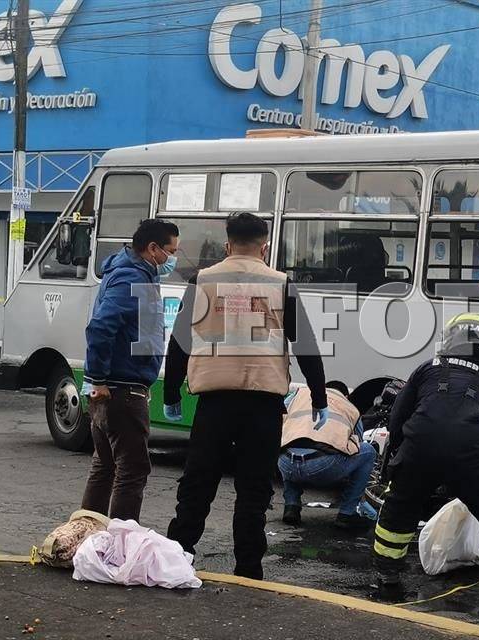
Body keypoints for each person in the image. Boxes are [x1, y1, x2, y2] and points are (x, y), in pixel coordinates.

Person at [164, 212, 328, 580]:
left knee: (197, 483)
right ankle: (249, 570)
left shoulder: (202, 280)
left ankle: (177, 556)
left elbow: (179, 343)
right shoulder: (282, 283)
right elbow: (306, 345)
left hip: (214, 403)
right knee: (253, 490)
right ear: (264, 247)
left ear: (227, 245)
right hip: (262, 405)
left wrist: (172, 391)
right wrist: (319, 397)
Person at [372, 313, 479, 604]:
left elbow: (398, 417)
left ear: (448, 340)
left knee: (400, 506)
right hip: (472, 456)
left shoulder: (427, 369)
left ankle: (388, 575)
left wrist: (401, 457)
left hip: (419, 450)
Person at [81, 219, 180, 522]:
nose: (172, 259)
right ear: (152, 249)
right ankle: (118, 547)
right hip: (122, 389)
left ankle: (87, 540)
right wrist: (98, 379)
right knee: (132, 470)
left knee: (106, 466)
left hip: (115, 386)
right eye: (170, 251)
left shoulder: (133, 273)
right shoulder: (130, 278)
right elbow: (100, 327)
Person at [277, 381, 377, 530]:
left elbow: (279, 418)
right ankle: (346, 514)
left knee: (290, 445)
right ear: (346, 396)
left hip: (285, 464)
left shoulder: (298, 395)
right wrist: (360, 498)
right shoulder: (350, 408)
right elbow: (355, 448)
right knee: (368, 451)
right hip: (323, 466)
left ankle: (291, 506)